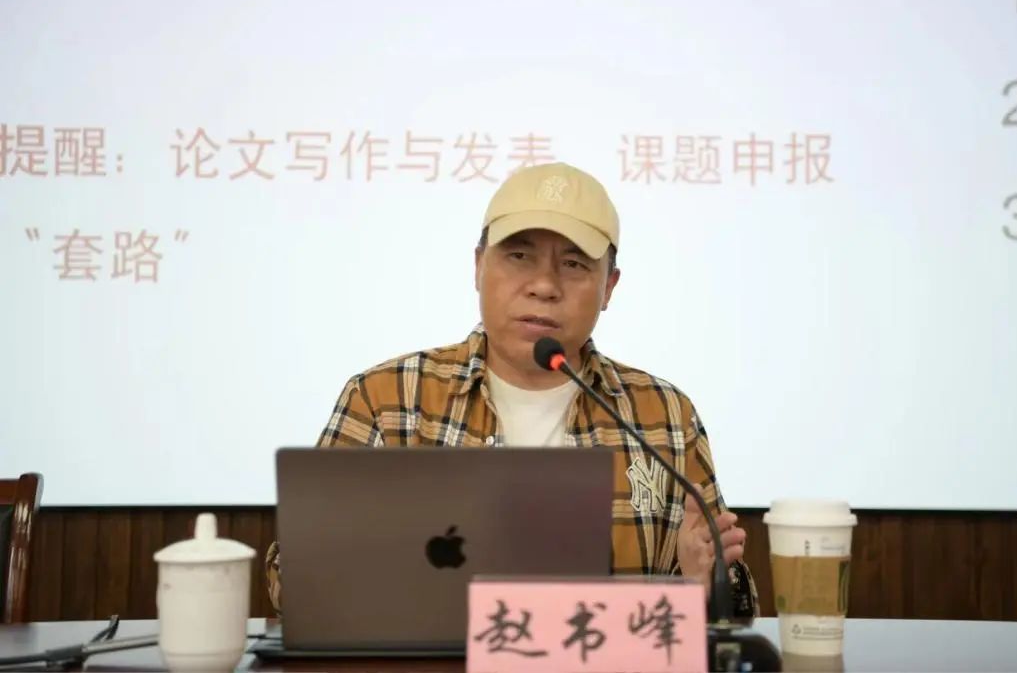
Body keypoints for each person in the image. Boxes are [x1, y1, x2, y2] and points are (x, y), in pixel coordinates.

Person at [265, 162, 757, 617]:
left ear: (609, 287)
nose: (544, 285)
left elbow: (735, 613)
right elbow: (294, 584)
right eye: (519, 256)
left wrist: (701, 585)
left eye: (574, 264)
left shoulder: (663, 415)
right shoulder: (388, 400)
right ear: (478, 266)